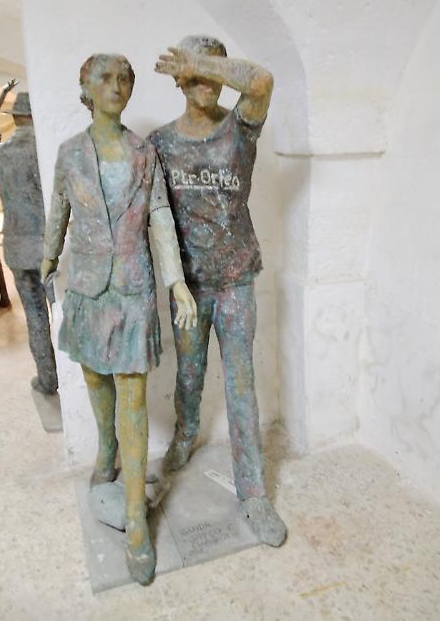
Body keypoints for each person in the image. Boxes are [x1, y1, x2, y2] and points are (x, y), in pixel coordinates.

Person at [41, 54, 196, 586]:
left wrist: (175, 281)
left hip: (132, 286)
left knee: (132, 392)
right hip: (86, 285)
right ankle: (105, 449)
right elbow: (59, 208)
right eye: (105, 78)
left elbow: (160, 216)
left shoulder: (144, 153)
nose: (117, 86)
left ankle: (135, 517)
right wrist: (47, 256)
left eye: (125, 79)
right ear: (85, 88)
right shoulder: (69, 153)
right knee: (94, 378)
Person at [149, 35, 286, 547]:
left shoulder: (239, 128)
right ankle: (185, 435)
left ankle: (252, 493)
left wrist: (202, 62)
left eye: (213, 70)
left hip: (236, 278)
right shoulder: (161, 143)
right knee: (189, 372)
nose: (205, 79)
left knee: (240, 381)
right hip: (188, 284)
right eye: (194, 73)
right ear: (179, 81)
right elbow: (157, 218)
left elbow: (262, 82)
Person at [0, 92, 58, 395]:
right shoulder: (49, 149)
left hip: (17, 248)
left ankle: (47, 379)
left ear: (15, 118)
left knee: (35, 315)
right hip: (49, 248)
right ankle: (74, 384)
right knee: (62, 313)